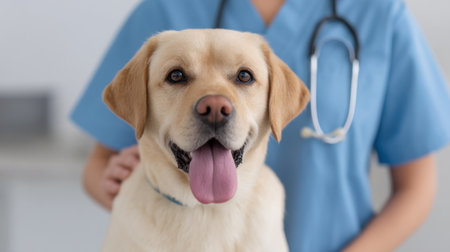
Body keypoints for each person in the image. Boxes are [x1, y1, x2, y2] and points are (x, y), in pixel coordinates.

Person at [71, 0, 450, 251]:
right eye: (178, 76)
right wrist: (115, 183)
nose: (215, 106)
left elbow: (416, 186)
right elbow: (98, 164)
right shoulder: (166, 8)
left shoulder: (378, 11)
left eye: (244, 77)